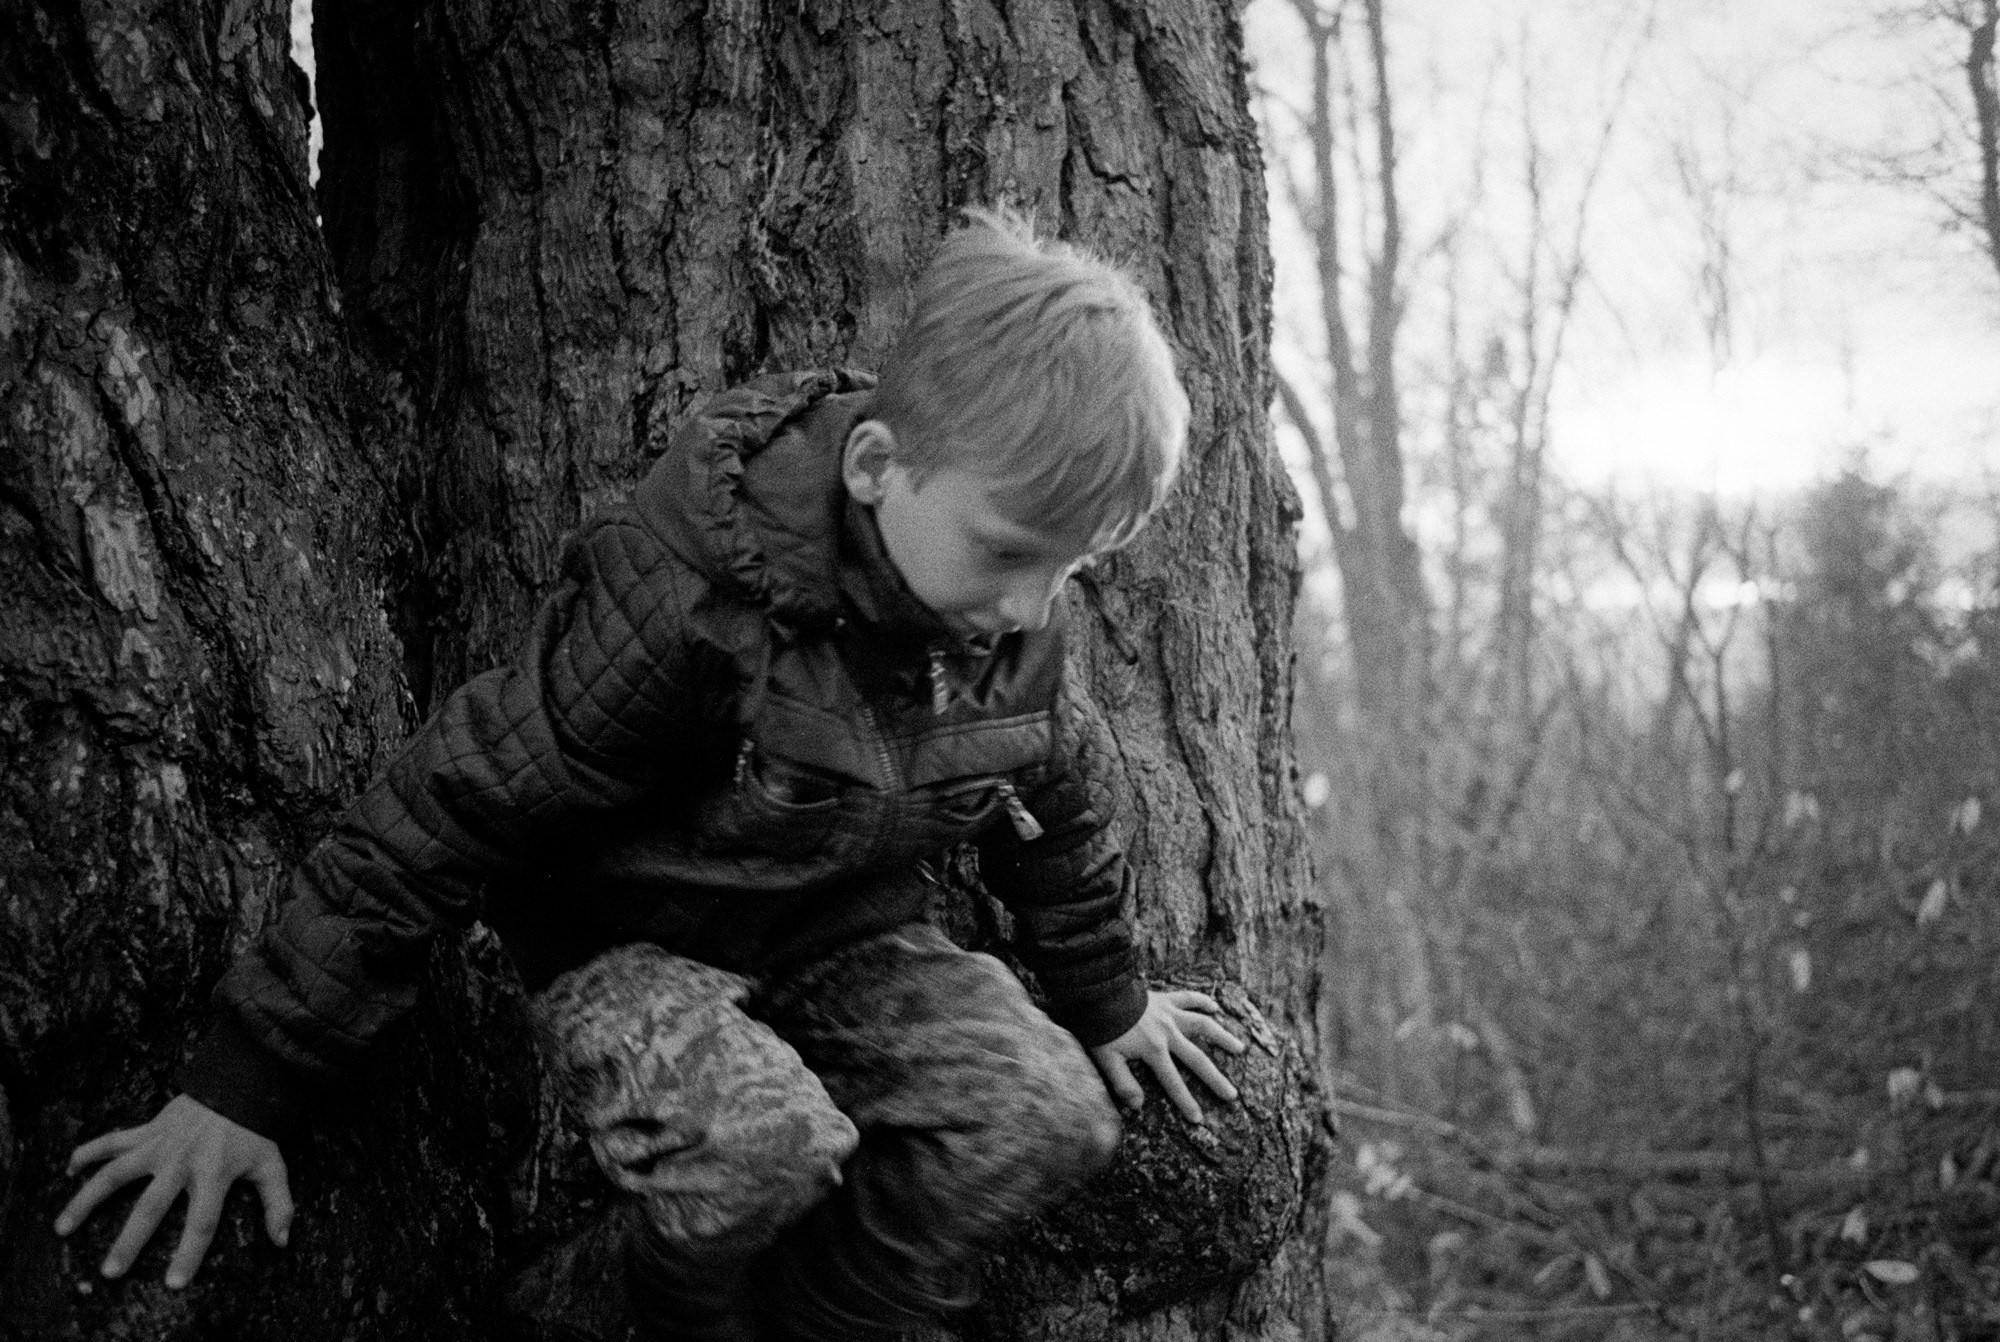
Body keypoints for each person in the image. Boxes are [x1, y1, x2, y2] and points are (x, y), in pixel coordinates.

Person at [54, 208, 1246, 1340]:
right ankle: (635, 1312)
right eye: (1006, 554)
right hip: (631, 945)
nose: (1029, 607)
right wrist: (244, 1079)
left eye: (1069, 569)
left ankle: (827, 1322)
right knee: (759, 1150)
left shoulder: (1003, 622)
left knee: (1046, 1114)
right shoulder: (692, 602)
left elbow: (1054, 804)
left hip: (844, 939)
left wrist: (1107, 1001)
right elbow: (455, 802)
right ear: (879, 465)